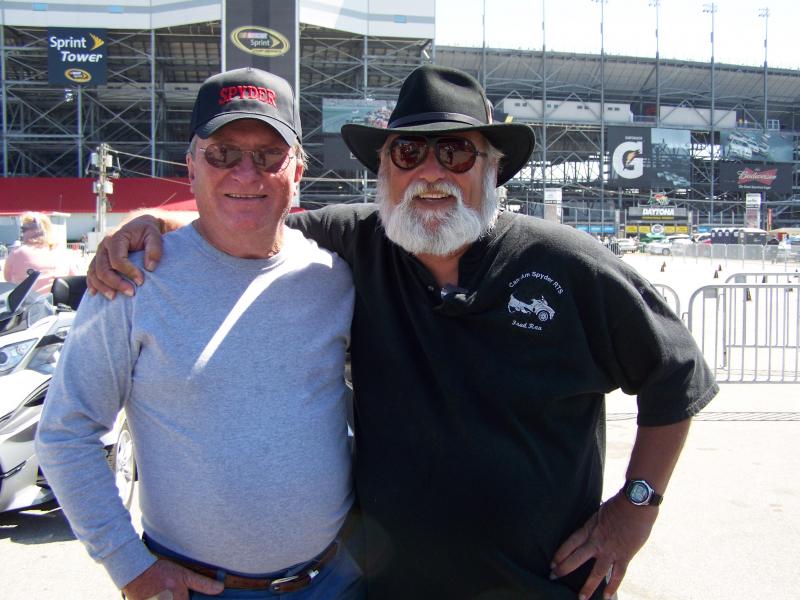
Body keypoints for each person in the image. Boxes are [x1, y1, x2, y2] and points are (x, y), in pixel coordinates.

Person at [88, 65, 718, 600]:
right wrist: (150, 229)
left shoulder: (567, 264)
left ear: (492, 168)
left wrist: (636, 507)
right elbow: (247, 220)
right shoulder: (357, 243)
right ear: (384, 170)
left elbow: (677, 374)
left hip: (542, 585)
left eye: (456, 153)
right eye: (409, 154)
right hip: (387, 586)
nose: (430, 174)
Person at [36, 67, 363, 600]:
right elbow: (66, 433)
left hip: (335, 579)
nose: (246, 174)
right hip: (198, 589)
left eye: (269, 156)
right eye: (223, 154)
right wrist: (130, 568)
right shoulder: (131, 279)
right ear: (191, 167)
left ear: (298, 170)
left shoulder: (333, 278)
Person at [3, 211, 81, 293]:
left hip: (24, 299)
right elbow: (74, 277)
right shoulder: (62, 253)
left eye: (23, 230)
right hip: (54, 299)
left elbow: (7, 278)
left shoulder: (16, 253)